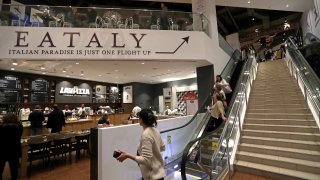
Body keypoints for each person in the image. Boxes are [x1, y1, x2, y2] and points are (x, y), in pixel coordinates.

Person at [117, 109, 166, 180]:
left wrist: (127, 155)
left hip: (152, 176)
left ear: (141, 120)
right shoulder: (156, 131)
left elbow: (146, 160)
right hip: (158, 173)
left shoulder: (146, 134)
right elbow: (162, 148)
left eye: (139, 118)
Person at [0, 113, 23, 180]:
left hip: (2, 149)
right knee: (14, 168)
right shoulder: (20, 127)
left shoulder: (1, 127)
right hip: (15, 149)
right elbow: (19, 136)